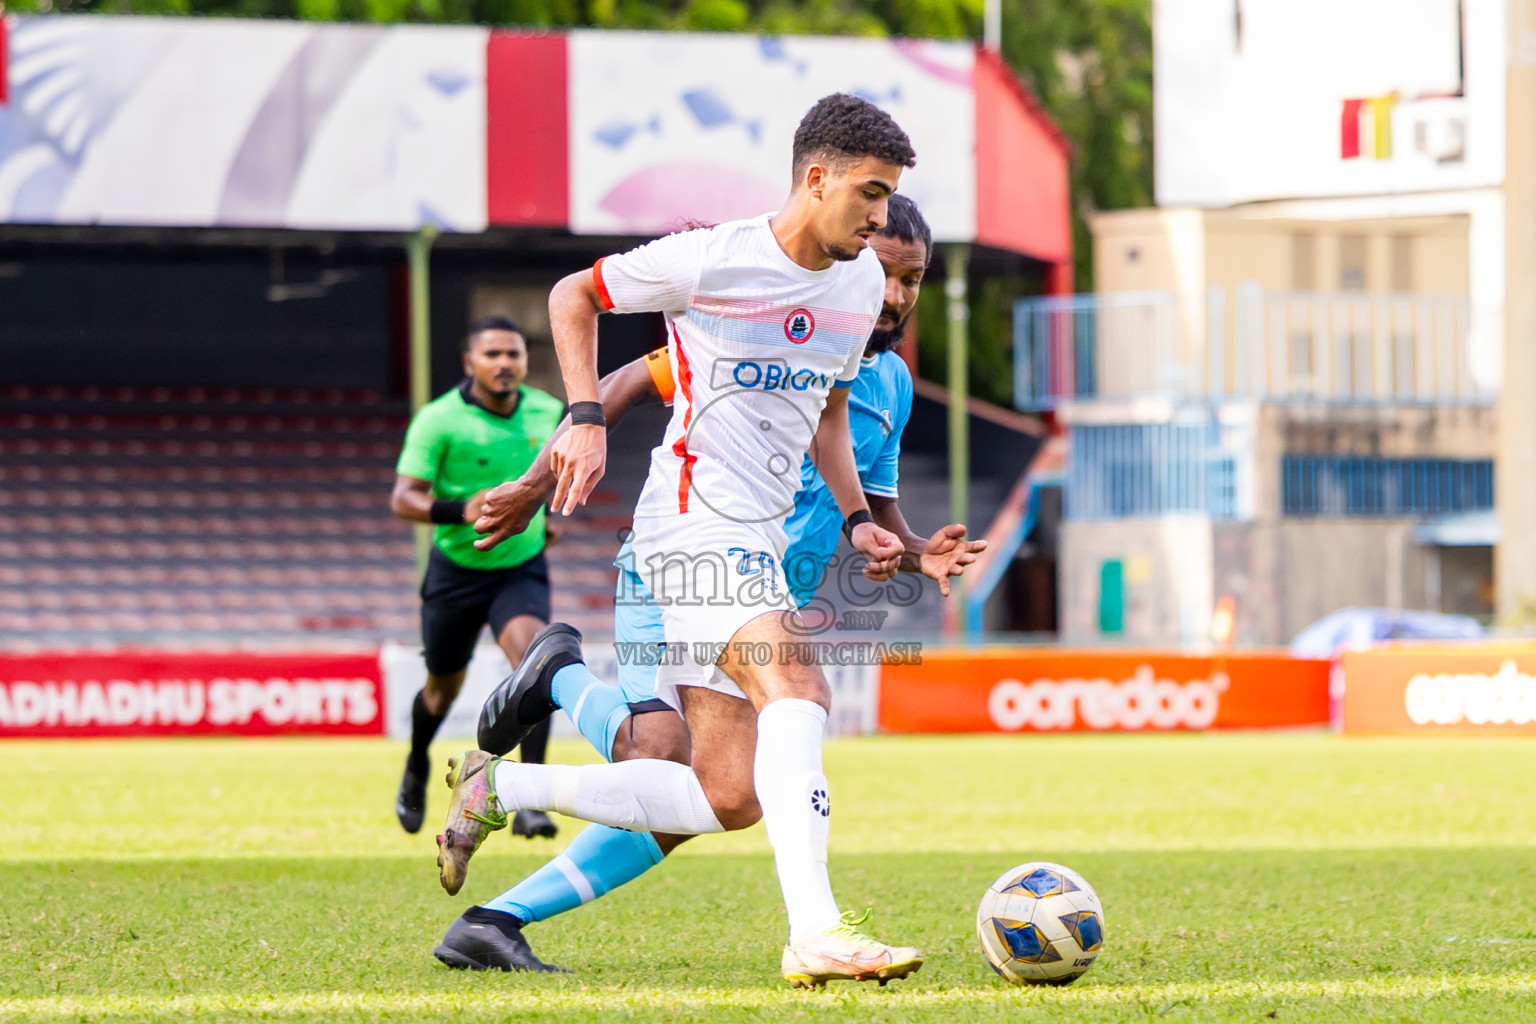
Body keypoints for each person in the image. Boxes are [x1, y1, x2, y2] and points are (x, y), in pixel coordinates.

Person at [432, 94, 932, 988]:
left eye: (888, 196)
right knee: (799, 681)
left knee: (726, 794)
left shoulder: (857, 287)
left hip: (757, 538)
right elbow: (572, 296)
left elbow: (827, 410)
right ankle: (816, 930)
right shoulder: (713, 260)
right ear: (815, 179)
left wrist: (859, 519)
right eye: (869, 192)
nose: (880, 215)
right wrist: (581, 419)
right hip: (688, 526)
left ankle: (502, 788)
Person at [388, 315, 564, 839]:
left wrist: (545, 519)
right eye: (493, 355)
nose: (505, 363)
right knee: (441, 691)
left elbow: (550, 475)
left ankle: (531, 797)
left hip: (519, 566)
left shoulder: (548, 410)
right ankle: (417, 764)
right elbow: (404, 498)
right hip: (456, 573)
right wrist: (459, 508)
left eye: (514, 354)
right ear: (471, 363)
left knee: (538, 666)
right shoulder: (438, 420)